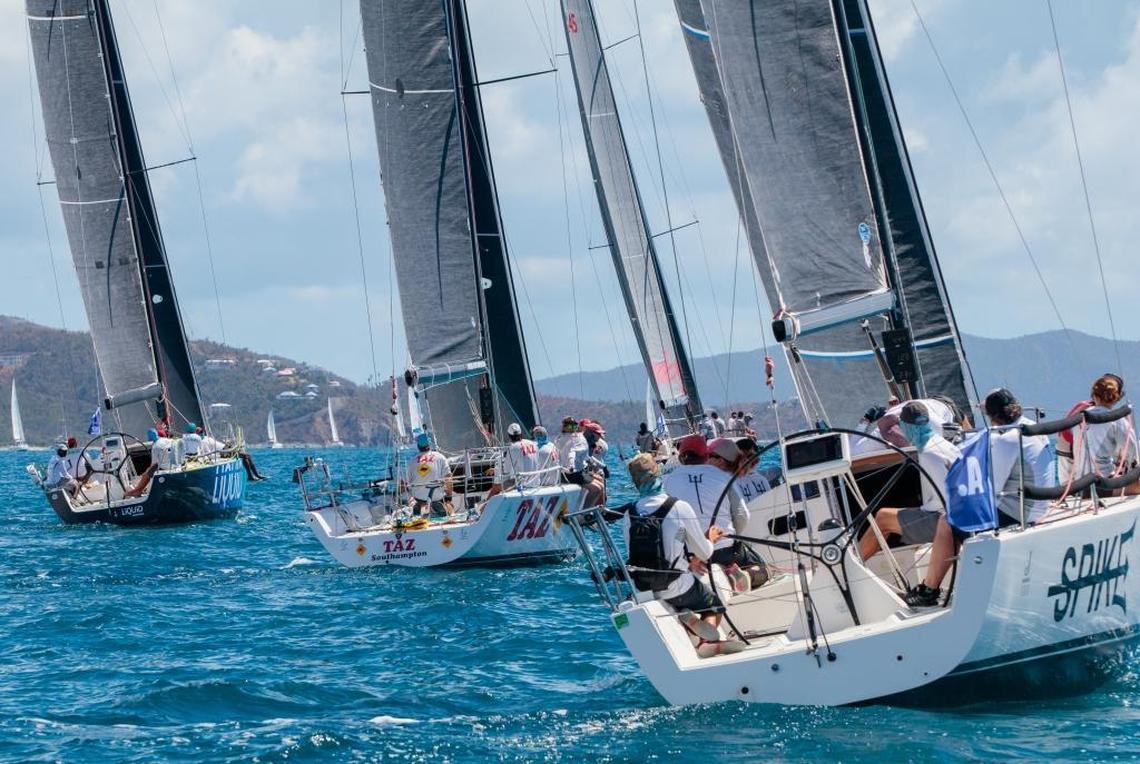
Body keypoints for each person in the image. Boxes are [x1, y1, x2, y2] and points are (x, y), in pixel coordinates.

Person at [906, 389, 1054, 606]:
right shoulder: (1030, 427)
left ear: (992, 416)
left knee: (948, 521)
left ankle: (928, 591)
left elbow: (991, 487)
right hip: (1041, 505)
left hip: (1019, 512)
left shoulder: (1006, 440)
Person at [623, 453, 743, 657]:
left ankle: (684, 616)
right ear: (658, 474)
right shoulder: (679, 507)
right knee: (714, 605)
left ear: (635, 482)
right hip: (679, 586)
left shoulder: (629, 513)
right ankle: (705, 642)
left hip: (644, 589)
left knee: (682, 592)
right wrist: (711, 538)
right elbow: (704, 552)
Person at [858, 401, 961, 561]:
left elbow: (944, 500)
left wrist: (923, 509)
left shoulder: (927, 453)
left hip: (948, 521)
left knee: (882, 517)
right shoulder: (945, 444)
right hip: (961, 513)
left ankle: (851, 568)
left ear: (906, 427)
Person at [662, 436, 756, 593]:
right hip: (725, 549)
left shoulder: (669, 481)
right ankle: (739, 572)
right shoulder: (722, 476)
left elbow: (672, 525)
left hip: (694, 556)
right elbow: (742, 515)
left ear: (680, 457)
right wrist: (734, 538)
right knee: (762, 568)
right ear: (706, 455)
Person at [1076, 373, 1135, 480]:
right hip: (1103, 481)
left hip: (1080, 480)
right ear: (1116, 398)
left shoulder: (1078, 417)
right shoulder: (1117, 419)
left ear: (1095, 396)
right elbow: (1132, 450)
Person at [406, 432, 452, 517]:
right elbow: (448, 478)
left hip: (419, 500)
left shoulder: (411, 462)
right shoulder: (440, 457)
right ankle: (443, 510)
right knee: (450, 506)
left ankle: (420, 509)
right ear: (429, 445)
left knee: (414, 499)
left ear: (418, 446)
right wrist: (449, 496)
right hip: (437, 498)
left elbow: (405, 483)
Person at [487, 423, 540, 497]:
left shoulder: (513, 447)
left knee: (495, 488)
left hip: (521, 484)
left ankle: (483, 508)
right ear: (521, 433)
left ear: (509, 436)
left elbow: (506, 470)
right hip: (536, 482)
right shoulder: (533, 444)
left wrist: (495, 470)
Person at [554, 417, 589, 483]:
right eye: (570, 426)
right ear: (564, 427)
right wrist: (571, 466)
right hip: (573, 473)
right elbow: (572, 453)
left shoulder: (558, 438)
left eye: (575, 426)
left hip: (564, 472)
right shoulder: (575, 439)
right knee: (597, 487)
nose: (573, 428)